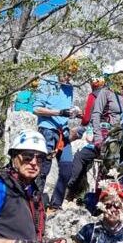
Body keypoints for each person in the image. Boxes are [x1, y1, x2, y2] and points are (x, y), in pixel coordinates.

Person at [33, 57, 81, 213]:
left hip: (63, 132)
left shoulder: (69, 87)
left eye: (71, 74)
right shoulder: (48, 83)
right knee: (42, 170)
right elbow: (37, 109)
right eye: (66, 73)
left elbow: (65, 109)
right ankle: (35, 205)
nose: (67, 77)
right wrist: (59, 112)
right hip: (48, 130)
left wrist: (74, 113)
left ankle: (55, 204)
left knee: (67, 169)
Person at [66, 68, 112, 202]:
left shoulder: (94, 95)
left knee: (78, 152)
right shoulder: (116, 95)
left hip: (96, 133)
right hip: (109, 133)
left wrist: (81, 115)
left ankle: (70, 187)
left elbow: (86, 120)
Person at [90, 58, 123, 171]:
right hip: (108, 135)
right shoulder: (106, 92)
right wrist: (98, 138)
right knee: (108, 169)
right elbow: (96, 114)